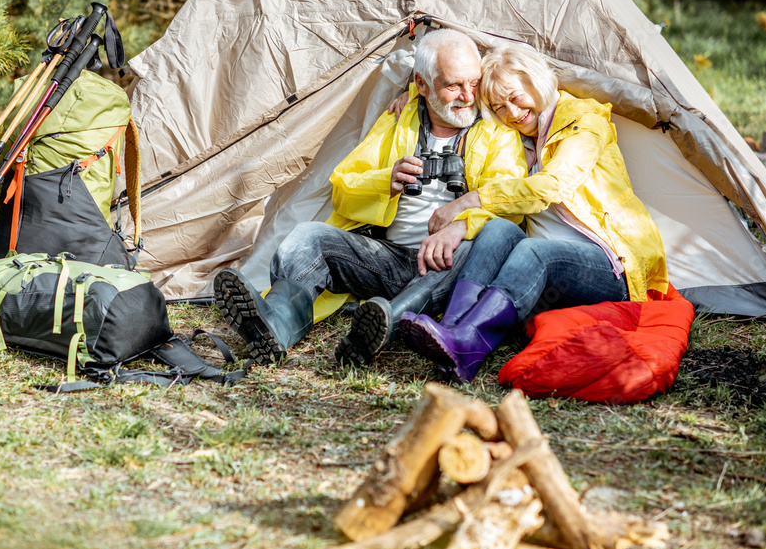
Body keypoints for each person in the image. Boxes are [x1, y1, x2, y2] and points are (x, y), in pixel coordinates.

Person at [214, 29, 526, 366]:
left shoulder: (498, 132)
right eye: (453, 85)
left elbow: (510, 202)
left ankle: (387, 323)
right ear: (421, 84)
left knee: (471, 247)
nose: (468, 95)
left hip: (452, 269)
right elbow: (342, 192)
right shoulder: (398, 121)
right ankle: (277, 323)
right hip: (388, 258)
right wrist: (386, 181)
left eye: (474, 82)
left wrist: (460, 227)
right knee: (308, 235)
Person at [400, 42, 669, 383]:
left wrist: (470, 200)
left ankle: (471, 344)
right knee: (497, 229)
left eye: (515, 97)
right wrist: (411, 97)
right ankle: (450, 332)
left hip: (613, 267)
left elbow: (551, 186)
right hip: (548, 274)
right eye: (499, 106)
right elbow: (451, 100)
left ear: (536, 81)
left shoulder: (584, 123)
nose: (512, 112)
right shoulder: (521, 137)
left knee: (534, 250)